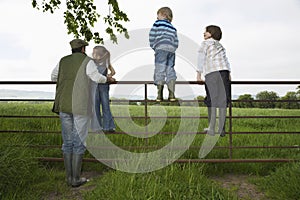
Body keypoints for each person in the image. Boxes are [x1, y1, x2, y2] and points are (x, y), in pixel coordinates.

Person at [51, 39, 115, 187]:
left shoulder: (63, 61)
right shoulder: (88, 61)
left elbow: (54, 77)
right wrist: (108, 79)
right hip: (80, 106)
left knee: (67, 142)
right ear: (83, 49)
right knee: (79, 141)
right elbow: (96, 77)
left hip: (63, 104)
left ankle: (69, 178)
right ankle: (76, 179)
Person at [196, 25, 231, 137]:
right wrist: (229, 73)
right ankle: (222, 129)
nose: (204, 33)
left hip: (212, 72)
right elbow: (225, 60)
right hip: (223, 72)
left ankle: (211, 128)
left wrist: (198, 74)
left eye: (206, 31)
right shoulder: (220, 45)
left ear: (211, 33)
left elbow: (201, 58)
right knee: (223, 100)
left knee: (211, 100)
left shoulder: (205, 43)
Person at [149, 7, 179, 102]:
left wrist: (154, 46)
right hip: (171, 50)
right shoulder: (173, 28)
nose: (157, 18)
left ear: (163, 15)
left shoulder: (157, 23)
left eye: (158, 15)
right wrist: (173, 48)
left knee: (160, 69)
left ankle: (159, 95)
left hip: (160, 48)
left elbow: (152, 35)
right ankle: (171, 95)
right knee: (170, 69)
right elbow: (176, 41)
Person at [90, 46, 116, 133]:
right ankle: (96, 127)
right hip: (94, 87)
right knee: (95, 106)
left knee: (106, 106)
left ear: (100, 55)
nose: (93, 55)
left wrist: (109, 75)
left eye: (95, 54)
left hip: (104, 87)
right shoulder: (92, 62)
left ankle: (108, 127)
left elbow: (113, 71)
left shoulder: (106, 62)